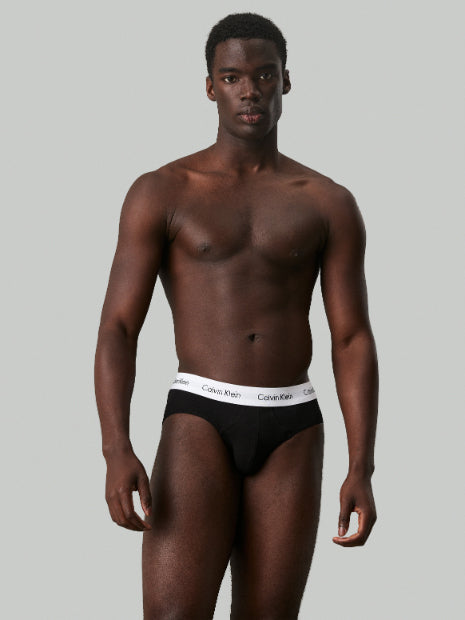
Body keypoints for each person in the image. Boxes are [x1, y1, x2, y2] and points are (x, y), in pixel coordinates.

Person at [94, 11, 379, 620]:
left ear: (286, 81)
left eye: (264, 75)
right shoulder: (163, 191)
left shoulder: (328, 202)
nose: (250, 90)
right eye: (232, 78)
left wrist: (362, 465)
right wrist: (116, 448)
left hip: (293, 423)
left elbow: (352, 338)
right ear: (210, 87)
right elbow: (118, 328)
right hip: (200, 413)